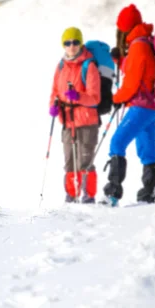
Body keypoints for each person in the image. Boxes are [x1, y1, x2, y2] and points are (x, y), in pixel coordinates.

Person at [102, 4, 155, 206]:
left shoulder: (138, 47)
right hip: (152, 106)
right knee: (147, 149)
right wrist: (120, 61)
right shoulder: (145, 42)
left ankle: (112, 194)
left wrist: (115, 99)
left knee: (117, 143)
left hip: (141, 106)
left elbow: (132, 84)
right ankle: (148, 192)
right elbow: (140, 72)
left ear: (123, 28)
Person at [49, 27, 101, 203]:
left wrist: (78, 96)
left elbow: (95, 98)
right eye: (67, 43)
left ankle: (88, 196)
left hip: (87, 122)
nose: (71, 46)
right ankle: (71, 196)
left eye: (75, 42)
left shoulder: (89, 65)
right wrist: (53, 106)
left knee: (84, 162)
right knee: (69, 162)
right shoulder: (61, 66)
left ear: (80, 43)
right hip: (67, 122)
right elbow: (55, 91)